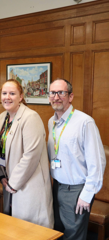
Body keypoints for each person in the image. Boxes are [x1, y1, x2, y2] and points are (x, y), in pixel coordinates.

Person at [48, 79, 106, 239]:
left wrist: (87, 194)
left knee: (74, 236)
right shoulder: (51, 122)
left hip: (76, 189)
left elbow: (98, 162)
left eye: (61, 93)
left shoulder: (85, 122)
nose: (56, 97)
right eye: (53, 93)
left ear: (70, 96)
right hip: (56, 185)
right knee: (58, 230)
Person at [0, 79, 53, 228]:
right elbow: (0, 150)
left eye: (12, 93)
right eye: (4, 93)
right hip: (8, 181)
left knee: (30, 230)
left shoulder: (30, 117)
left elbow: (31, 155)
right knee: (14, 229)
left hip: (28, 183)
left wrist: (13, 183)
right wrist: (2, 175)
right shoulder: (3, 117)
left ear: (21, 96)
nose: (7, 97)